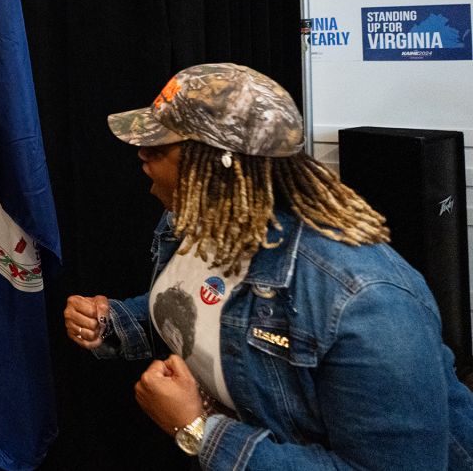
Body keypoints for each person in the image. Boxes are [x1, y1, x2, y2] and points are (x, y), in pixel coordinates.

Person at [63, 62, 473, 468]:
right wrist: (115, 322)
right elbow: (204, 305)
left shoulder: (365, 299)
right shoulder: (198, 221)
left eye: (159, 146)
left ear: (216, 164)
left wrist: (197, 431)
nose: (141, 154)